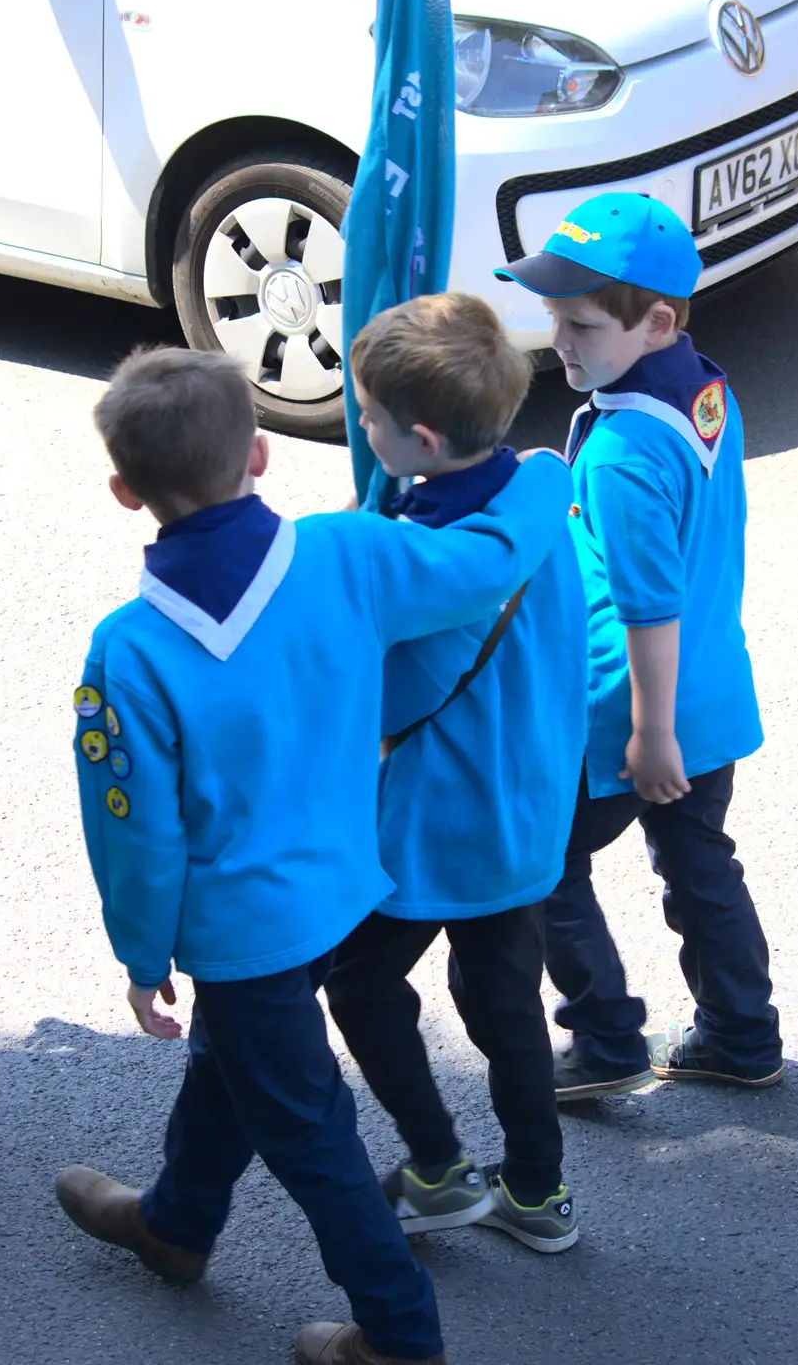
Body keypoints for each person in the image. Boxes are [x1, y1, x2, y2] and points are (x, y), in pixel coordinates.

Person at [54, 345, 567, 1365]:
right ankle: (175, 1222)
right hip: (341, 889)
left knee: (311, 1132)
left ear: (124, 491)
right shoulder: (348, 554)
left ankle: (399, 1333)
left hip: (239, 929)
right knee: (241, 1057)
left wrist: (142, 955)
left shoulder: (131, 648)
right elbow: (485, 564)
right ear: (258, 455)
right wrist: (545, 473)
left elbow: (136, 833)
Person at [494, 193, 783, 1100]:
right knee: (700, 864)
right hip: (711, 691)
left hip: (625, 710)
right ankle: (742, 1032)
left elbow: (647, 604)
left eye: (578, 322)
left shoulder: (620, 449)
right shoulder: (705, 391)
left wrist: (648, 735)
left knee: (542, 864)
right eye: (552, 316)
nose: (559, 340)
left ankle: (608, 1037)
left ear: (657, 320)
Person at [326, 294, 587, 1256]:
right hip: (528, 811)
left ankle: (437, 1171)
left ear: (424, 438)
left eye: (371, 415)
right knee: (504, 1005)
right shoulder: (540, 495)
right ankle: (538, 1192)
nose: (361, 423)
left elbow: (383, 704)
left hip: (438, 828)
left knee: (357, 983)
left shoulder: (433, 568)